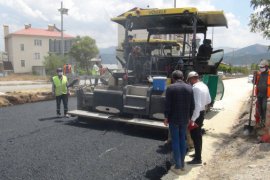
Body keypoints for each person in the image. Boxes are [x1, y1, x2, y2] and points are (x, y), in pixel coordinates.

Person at [164, 70, 195, 175]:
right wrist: (189, 117)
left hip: (174, 119)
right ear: (182, 77)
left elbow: (167, 105)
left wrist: (166, 117)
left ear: (173, 78)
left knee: (175, 141)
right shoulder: (189, 88)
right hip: (185, 119)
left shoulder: (170, 88)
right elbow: (192, 106)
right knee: (182, 140)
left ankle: (178, 166)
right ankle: (182, 164)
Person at [186, 71, 211, 164]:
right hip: (202, 113)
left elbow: (196, 106)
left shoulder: (195, 88)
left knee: (195, 136)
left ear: (192, 79)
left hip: (196, 115)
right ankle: (197, 153)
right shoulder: (204, 85)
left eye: (189, 80)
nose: (189, 82)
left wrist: (192, 120)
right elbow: (209, 100)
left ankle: (198, 159)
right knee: (198, 135)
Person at [255, 59, 270, 127]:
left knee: (264, 107)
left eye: (262, 67)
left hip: (266, 95)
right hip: (259, 94)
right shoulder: (259, 74)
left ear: (266, 67)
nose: (261, 68)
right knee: (259, 107)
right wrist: (254, 77)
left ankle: (264, 120)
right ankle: (260, 120)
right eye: (260, 67)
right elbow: (254, 83)